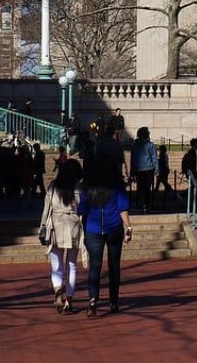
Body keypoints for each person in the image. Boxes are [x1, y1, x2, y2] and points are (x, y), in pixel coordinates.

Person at [78, 152, 132, 316]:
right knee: (114, 266)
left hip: (93, 229)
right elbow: (122, 208)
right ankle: (113, 301)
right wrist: (128, 227)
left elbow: (80, 209)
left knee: (95, 266)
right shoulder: (117, 186)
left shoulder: (88, 187)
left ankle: (93, 299)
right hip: (114, 227)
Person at [41, 158, 85, 314]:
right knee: (71, 264)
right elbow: (83, 208)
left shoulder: (53, 186)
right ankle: (70, 298)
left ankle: (58, 291)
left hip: (55, 226)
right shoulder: (79, 187)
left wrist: (43, 227)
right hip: (73, 226)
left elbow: (46, 209)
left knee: (56, 265)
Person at [130, 127, 157, 213]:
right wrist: (156, 169)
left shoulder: (134, 145)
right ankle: (147, 205)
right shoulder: (150, 145)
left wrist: (132, 171)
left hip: (139, 169)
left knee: (141, 188)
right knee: (147, 188)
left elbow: (133, 159)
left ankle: (143, 205)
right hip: (149, 169)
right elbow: (154, 158)